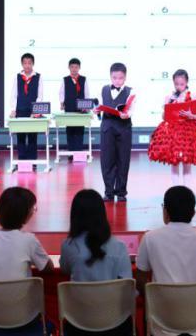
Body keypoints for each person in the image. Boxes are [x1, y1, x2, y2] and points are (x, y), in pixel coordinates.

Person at [136, 186, 196, 336]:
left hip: (162, 326)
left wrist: (155, 302)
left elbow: (140, 280)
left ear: (165, 211)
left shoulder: (150, 238)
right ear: (193, 212)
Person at [0, 186, 54, 279]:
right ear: (25, 213)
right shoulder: (29, 240)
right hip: (22, 289)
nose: (34, 211)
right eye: (33, 208)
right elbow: (48, 268)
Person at [148, 69, 196, 168]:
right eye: (176, 84)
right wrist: (168, 106)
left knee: (187, 163)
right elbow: (164, 117)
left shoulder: (192, 96)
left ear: (186, 82)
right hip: (173, 133)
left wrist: (190, 115)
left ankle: (186, 179)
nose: (179, 86)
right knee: (174, 163)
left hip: (189, 133)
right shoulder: (169, 97)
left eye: (181, 84)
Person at [60, 189, 132, 281]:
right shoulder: (119, 246)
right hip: (112, 291)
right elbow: (127, 281)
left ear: (75, 215)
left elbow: (65, 270)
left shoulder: (68, 245)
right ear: (102, 213)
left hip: (79, 291)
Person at [97, 62, 135, 202]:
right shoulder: (104, 89)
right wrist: (97, 111)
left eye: (120, 78)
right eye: (114, 78)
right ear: (110, 76)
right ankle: (108, 192)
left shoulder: (131, 91)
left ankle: (121, 192)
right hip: (107, 128)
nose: (117, 81)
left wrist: (127, 114)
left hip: (123, 128)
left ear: (125, 77)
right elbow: (99, 107)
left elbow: (131, 110)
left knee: (123, 160)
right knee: (107, 161)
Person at [9, 53, 45, 161]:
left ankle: (32, 161)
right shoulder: (17, 77)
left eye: (29, 63)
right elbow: (14, 94)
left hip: (33, 111)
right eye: (25, 63)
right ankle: (22, 161)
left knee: (32, 137)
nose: (27, 65)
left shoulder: (38, 77)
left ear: (33, 64)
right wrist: (13, 109)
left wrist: (36, 110)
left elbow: (40, 96)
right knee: (20, 136)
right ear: (22, 64)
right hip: (20, 110)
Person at [59, 58, 91, 152]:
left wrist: (87, 106)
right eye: (72, 67)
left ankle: (79, 152)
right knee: (70, 130)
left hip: (81, 109)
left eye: (76, 67)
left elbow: (87, 93)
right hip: (69, 107)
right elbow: (61, 92)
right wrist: (62, 103)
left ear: (79, 68)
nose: (74, 69)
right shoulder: (65, 79)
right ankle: (71, 151)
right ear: (69, 67)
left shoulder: (83, 79)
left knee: (80, 130)